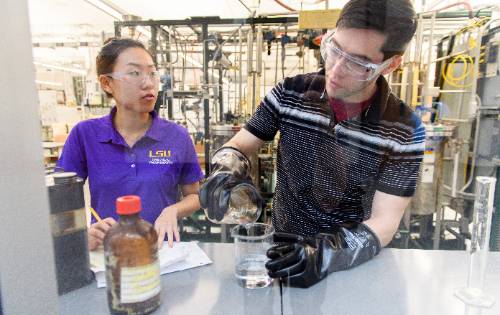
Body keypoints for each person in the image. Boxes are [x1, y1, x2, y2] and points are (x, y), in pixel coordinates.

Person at [200, 0, 425, 287]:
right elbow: (240, 145)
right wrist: (225, 169)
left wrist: (325, 256)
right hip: (281, 247)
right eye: (334, 49)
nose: (335, 69)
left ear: (391, 64)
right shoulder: (291, 92)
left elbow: (384, 222)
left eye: (357, 63)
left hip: (351, 263)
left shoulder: (405, 130)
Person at [58, 38, 204, 250]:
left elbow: (194, 195)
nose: (148, 83)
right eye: (135, 73)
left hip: (162, 253)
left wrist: (173, 210)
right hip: (108, 255)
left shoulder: (177, 136)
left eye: (152, 73)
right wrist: (81, 234)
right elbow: (60, 203)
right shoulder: (85, 135)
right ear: (107, 83)